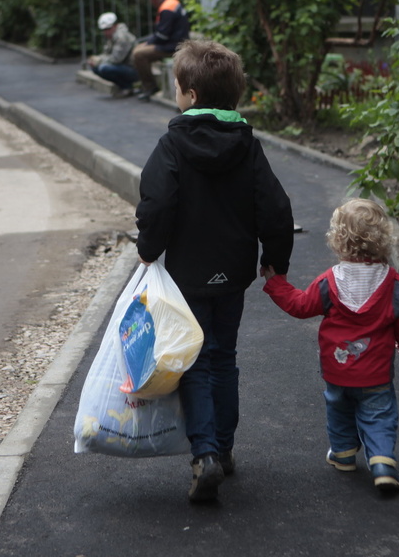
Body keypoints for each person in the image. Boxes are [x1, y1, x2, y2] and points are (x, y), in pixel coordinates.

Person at [135, 38, 294, 503]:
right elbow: (277, 209)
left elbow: (158, 202)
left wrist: (148, 249)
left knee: (197, 361)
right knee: (225, 357)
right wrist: (275, 261)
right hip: (234, 273)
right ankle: (223, 450)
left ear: (190, 94)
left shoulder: (172, 145)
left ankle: (203, 454)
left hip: (188, 274)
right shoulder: (248, 146)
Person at [261, 198, 399, 495]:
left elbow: (300, 305)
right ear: (383, 239)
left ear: (338, 240)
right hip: (375, 374)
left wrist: (277, 283)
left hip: (336, 370)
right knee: (379, 414)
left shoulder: (330, 282)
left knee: (338, 409)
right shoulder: (397, 286)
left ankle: (343, 454)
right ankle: (383, 463)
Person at [131, 0, 191, 101]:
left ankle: (150, 87)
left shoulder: (166, 9)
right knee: (139, 48)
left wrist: (149, 43)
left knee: (138, 54)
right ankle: (145, 85)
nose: (150, 2)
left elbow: (162, 36)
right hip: (177, 41)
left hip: (173, 45)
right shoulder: (172, 2)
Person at [86, 12, 138, 97]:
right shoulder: (113, 37)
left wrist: (98, 61)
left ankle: (127, 87)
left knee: (104, 68)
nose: (106, 32)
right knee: (96, 68)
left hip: (133, 68)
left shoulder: (121, 37)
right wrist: (95, 59)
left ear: (115, 25)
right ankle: (124, 86)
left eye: (108, 29)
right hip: (124, 66)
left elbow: (116, 59)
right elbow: (107, 54)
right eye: (104, 30)